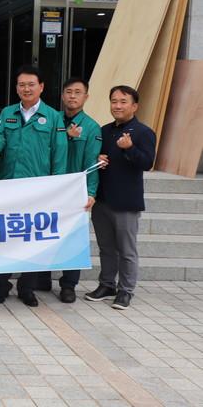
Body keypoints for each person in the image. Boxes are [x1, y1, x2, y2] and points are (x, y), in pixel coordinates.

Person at [0, 65, 67, 307]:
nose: (26, 89)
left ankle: (27, 287)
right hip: (9, 187)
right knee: (5, 238)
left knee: (32, 240)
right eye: (21, 85)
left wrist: (57, 187)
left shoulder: (53, 117)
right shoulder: (7, 113)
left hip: (38, 190)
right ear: (16, 88)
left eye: (31, 84)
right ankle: (2, 285)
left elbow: (60, 154)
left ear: (41, 87)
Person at [85, 85, 156, 310]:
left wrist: (129, 148)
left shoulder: (143, 132)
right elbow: (97, 158)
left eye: (123, 102)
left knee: (126, 250)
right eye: (114, 101)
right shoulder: (104, 131)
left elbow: (147, 163)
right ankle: (107, 285)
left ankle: (126, 290)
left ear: (135, 106)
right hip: (103, 199)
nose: (117, 106)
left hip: (126, 202)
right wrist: (99, 159)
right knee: (106, 247)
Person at [36, 77, 101, 303]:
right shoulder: (51, 119)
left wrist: (91, 192)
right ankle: (42, 277)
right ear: (62, 95)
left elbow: (92, 163)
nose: (72, 96)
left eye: (78, 92)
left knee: (72, 238)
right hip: (50, 187)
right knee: (44, 232)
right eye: (69, 92)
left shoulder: (91, 127)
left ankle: (68, 285)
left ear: (86, 97)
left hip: (74, 191)